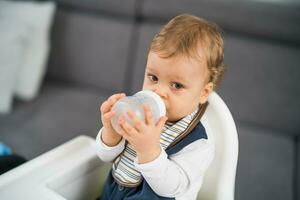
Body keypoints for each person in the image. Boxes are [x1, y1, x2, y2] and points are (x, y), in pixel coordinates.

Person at [95, 14, 225, 200]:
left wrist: (148, 150)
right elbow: (104, 157)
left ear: (204, 93)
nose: (158, 91)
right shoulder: (138, 113)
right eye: (153, 78)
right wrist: (111, 132)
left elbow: (172, 188)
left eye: (177, 85)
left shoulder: (198, 143)